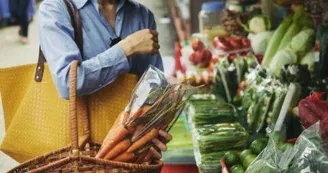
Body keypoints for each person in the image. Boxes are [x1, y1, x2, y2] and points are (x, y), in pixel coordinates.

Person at [38, 0, 171, 161]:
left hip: (132, 153)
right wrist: (127, 47)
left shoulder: (142, 15)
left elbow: (155, 86)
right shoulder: (56, 8)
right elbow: (67, 83)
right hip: (79, 155)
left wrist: (154, 127)